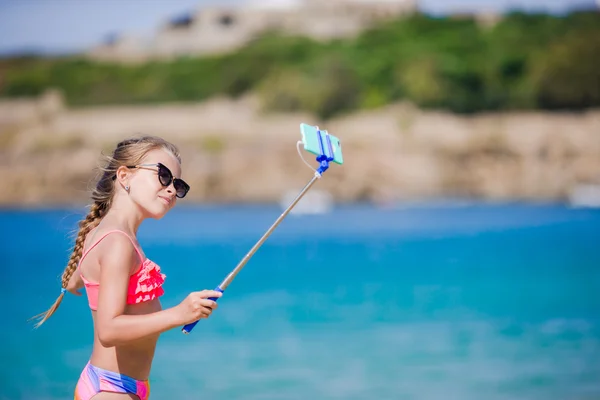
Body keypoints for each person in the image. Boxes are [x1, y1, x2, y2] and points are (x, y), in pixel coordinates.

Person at [31, 135, 222, 400]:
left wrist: (79, 279)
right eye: (163, 175)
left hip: (115, 384)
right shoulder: (118, 242)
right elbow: (108, 331)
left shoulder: (104, 232)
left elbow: (80, 278)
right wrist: (181, 312)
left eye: (177, 184)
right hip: (112, 390)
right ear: (124, 176)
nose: (171, 189)